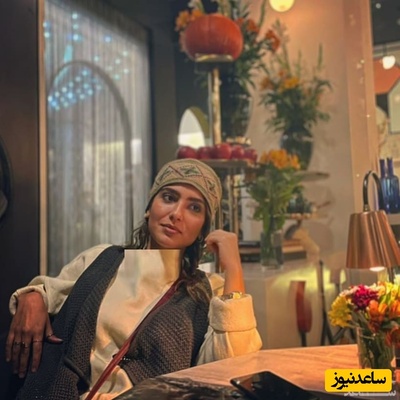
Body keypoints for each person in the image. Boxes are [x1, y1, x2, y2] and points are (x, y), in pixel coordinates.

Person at [6, 158, 262, 400]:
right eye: (169, 197)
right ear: (149, 208)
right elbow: (51, 289)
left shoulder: (210, 291)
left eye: (194, 207)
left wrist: (234, 270)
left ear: (202, 229)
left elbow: (233, 366)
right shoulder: (102, 258)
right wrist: (33, 295)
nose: (176, 213)